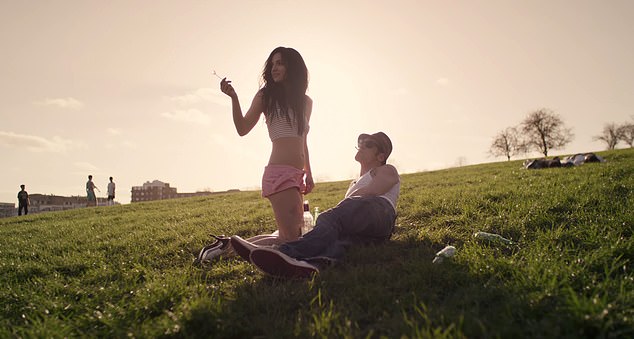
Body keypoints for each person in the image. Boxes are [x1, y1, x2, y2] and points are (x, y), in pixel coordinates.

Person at [232, 132, 400, 279]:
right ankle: (311, 266)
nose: (361, 146)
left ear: (380, 156)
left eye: (368, 144)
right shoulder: (354, 183)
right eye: (361, 143)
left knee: (329, 218)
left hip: (379, 211)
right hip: (375, 233)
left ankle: (283, 252)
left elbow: (372, 192)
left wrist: (338, 212)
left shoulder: (385, 169)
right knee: (340, 243)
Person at [219, 47, 314, 245]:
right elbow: (242, 128)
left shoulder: (305, 102)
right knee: (292, 238)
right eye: (272, 64)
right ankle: (229, 247)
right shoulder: (265, 97)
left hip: (297, 175)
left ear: (293, 67)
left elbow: (302, 140)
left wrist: (308, 173)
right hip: (279, 173)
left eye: (279, 63)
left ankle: (227, 246)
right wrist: (234, 98)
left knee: (292, 236)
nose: (274, 68)